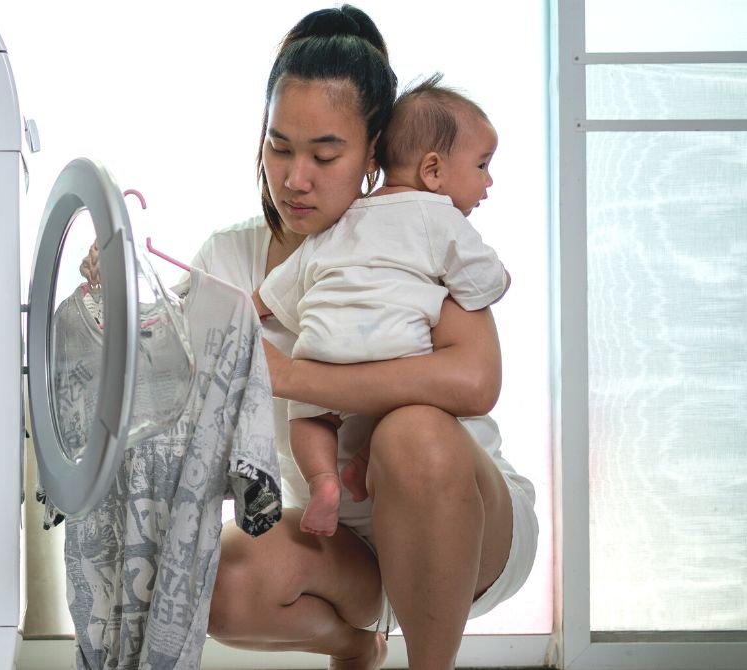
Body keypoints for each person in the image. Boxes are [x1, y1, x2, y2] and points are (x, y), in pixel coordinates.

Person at [185, 7, 538, 670]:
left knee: (410, 434)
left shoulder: (418, 233)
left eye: (324, 153)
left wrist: (296, 377)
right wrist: (112, 288)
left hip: (468, 523)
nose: (294, 178)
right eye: (279, 146)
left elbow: (475, 383)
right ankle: (356, 645)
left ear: (376, 150)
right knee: (219, 584)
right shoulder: (229, 259)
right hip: (338, 534)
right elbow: (179, 373)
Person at [253, 74, 512, 538]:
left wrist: (248, 309)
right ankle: (362, 466)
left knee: (309, 421)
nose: (488, 182)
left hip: (321, 351)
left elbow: (277, 290)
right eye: (482, 166)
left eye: (326, 153)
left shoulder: (339, 224)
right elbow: (480, 281)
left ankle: (325, 483)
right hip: (399, 355)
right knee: (398, 414)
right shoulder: (440, 218)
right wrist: (500, 279)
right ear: (432, 171)